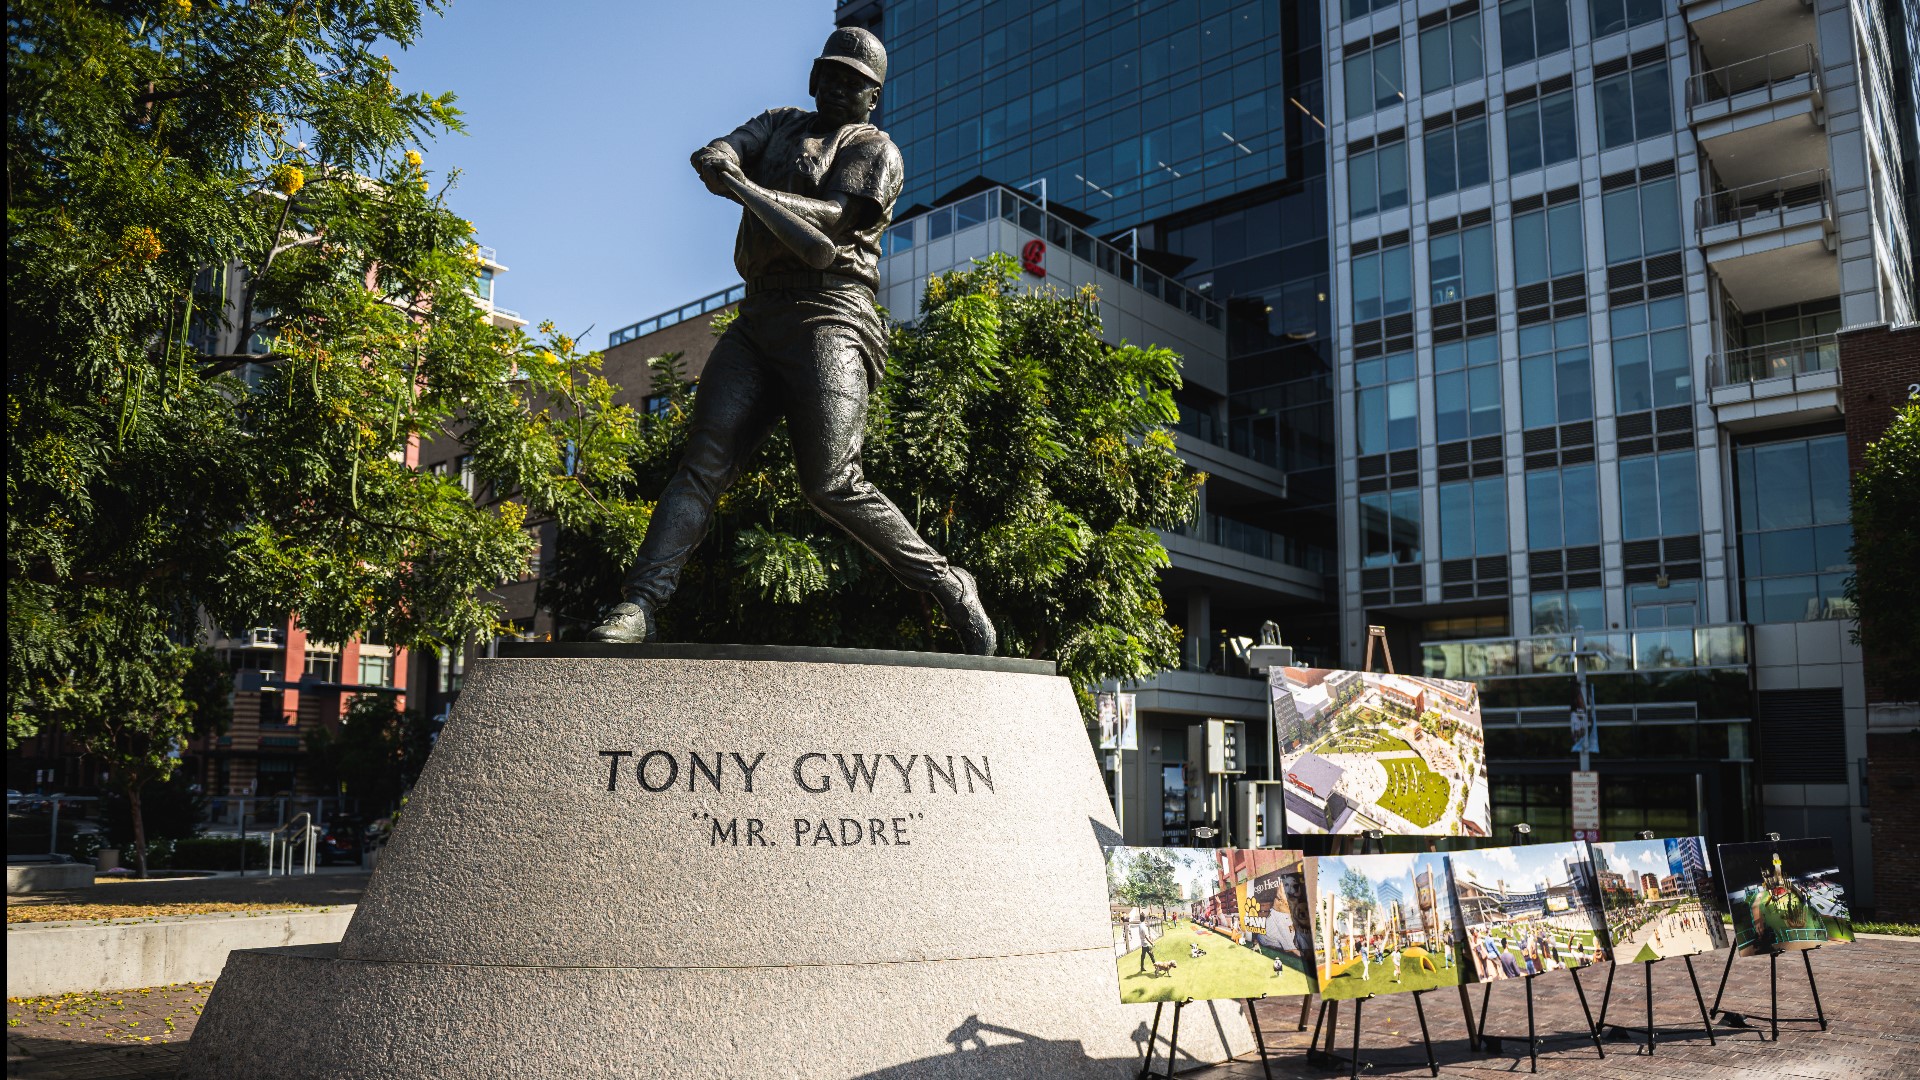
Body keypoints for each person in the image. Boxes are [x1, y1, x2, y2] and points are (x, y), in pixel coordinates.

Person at [589, 27, 993, 653]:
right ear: (812, 77)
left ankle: (947, 584)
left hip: (832, 311)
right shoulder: (779, 122)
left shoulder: (875, 148)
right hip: (757, 317)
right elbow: (726, 146)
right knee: (703, 463)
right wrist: (718, 158)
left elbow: (831, 220)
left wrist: (745, 189)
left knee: (831, 481)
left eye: (853, 82)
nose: (838, 87)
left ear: (873, 96)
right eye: (830, 74)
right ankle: (639, 602)